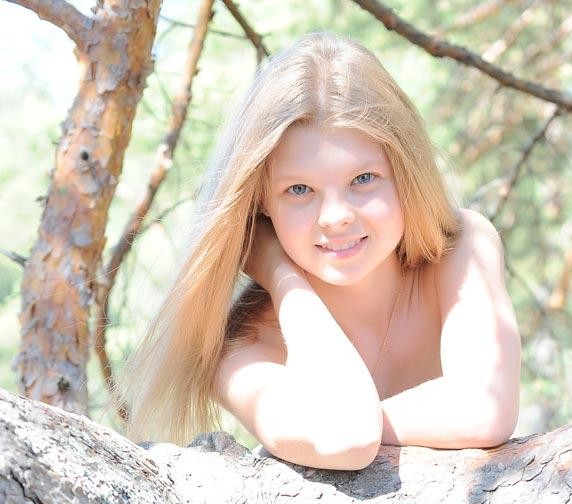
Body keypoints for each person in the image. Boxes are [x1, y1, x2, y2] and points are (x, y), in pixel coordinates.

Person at [117, 32, 521, 470]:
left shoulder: (461, 250)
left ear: (406, 173)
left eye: (363, 179)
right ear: (261, 203)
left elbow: (486, 409)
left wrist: (355, 416)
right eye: (299, 189)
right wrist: (281, 276)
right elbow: (346, 436)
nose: (335, 216)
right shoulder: (240, 347)